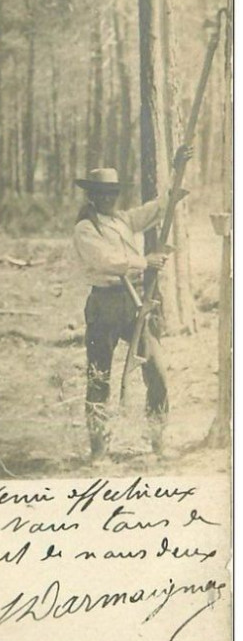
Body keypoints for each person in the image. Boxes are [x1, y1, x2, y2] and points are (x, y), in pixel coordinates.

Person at [73, 148, 191, 460]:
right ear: (92, 197)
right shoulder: (86, 228)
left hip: (134, 303)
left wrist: (177, 169)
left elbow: (158, 207)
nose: (108, 199)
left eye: (112, 193)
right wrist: (145, 261)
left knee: (156, 370)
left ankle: (157, 438)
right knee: (99, 377)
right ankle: (99, 449)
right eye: (102, 194)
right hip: (104, 306)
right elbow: (107, 260)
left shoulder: (124, 220)